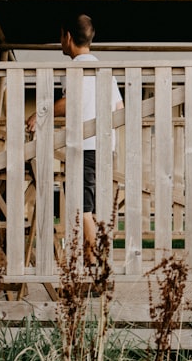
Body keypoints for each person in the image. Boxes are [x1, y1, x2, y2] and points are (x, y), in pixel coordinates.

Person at [26, 14, 123, 265]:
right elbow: (119, 107)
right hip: (104, 146)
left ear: (67, 37)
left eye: (61, 36)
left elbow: (71, 102)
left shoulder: (74, 69)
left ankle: (93, 264)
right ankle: (97, 259)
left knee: (82, 208)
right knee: (94, 205)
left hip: (84, 148)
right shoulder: (106, 71)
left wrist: (40, 114)